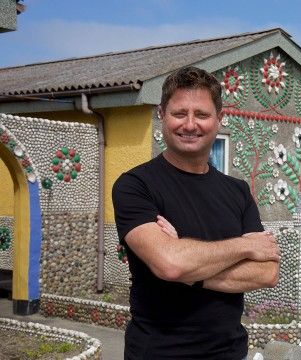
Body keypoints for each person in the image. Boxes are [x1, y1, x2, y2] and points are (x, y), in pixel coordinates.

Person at [112, 66, 280, 359]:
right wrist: (244, 246)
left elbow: (267, 272)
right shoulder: (135, 186)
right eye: (180, 113)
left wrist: (191, 271)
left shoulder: (237, 191)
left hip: (230, 353)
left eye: (201, 115)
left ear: (219, 119)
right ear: (162, 115)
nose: (190, 125)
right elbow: (170, 264)